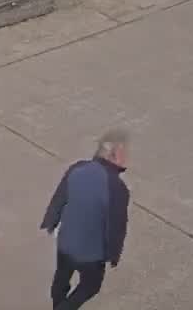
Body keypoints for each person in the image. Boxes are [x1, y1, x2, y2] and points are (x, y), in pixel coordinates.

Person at [41, 128, 131, 309]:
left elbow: (59, 198)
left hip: (66, 242)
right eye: (124, 153)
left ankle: (57, 304)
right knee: (91, 285)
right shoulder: (118, 188)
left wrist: (51, 221)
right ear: (114, 155)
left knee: (62, 276)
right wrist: (113, 254)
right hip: (90, 254)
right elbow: (116, 226)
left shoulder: (77, 168)